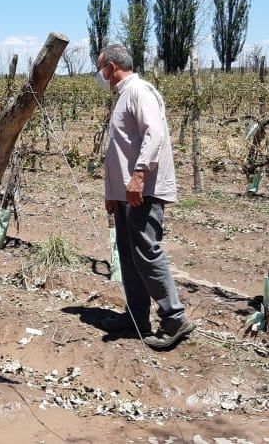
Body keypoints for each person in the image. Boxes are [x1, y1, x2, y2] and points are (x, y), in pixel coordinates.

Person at [96, 44, 196, 351]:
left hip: (144, 190)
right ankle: (136, 316)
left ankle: (174, 317)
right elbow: (121, 148)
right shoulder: (123, 95)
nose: (99, 75)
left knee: (146, 251)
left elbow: (154, 134)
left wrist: (139, 175)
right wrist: (112, 193)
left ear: (111, 68)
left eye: (101, 69)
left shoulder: (140, 91)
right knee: (128, 254)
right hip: (127, 192)